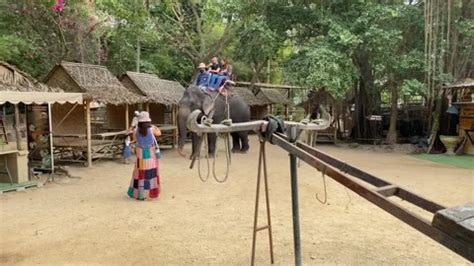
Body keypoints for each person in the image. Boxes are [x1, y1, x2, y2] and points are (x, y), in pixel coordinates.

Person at [127, 111, 162, 200]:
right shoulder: (152, 129)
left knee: (140, 173)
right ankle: (150, 192)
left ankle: (140, 193)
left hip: (141, 154)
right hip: (150, 153)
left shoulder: (135, 130)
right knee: (151, 172)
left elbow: (136, 140)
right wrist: (153, 126)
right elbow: (159, 133)